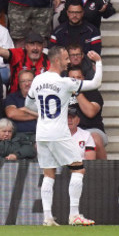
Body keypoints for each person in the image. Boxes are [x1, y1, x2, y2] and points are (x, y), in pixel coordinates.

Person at [25, 46, 103, 226]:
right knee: (78, 169)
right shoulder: (65, 82)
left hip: (42, 133)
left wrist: (46, 111)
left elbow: (28, 104)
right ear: (57, 60)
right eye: (66, 58)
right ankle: (74, 215)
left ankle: (47, 218)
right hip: (58, 133)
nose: (69, 61)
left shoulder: (37, 80)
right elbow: (95, 83)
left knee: (48, 173)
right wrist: (98, 62)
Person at [67, 66, 106, 159]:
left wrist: (77, 93)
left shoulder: (92, 92)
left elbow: (90, 113)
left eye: (78, 78)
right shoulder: (62, 93)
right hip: (68, 129)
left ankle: (104, 171)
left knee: (94, 140)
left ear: (83, 79)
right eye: (72, 79)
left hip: (91, 129)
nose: (75, 81)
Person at [4, 70, 38, 137]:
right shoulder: (12, 97)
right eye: (23, 81)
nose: (27, 84)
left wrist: (24, 110)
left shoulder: (42, 97)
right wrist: (38, 115)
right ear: (19, 84)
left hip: (38, 136)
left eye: (29, 81)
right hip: (18, 137)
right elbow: (11, 114)